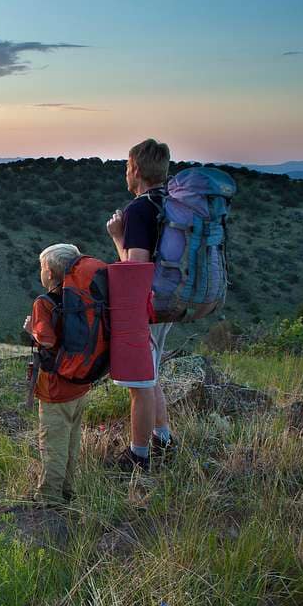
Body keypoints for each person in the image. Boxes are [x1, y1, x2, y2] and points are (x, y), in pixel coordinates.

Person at [105, 138, 177, 471]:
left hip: (146, 306)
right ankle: (163, 439)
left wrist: (119, 237)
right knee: (152, 374)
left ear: (135, 169)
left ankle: (139, 456)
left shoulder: (139, 209)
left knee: (139, 383)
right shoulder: (172, 204)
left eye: (125, 166)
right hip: (170, 300)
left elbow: (135, 271)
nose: (125, 172)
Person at [23, 243, 91, 508]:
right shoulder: (83, 298)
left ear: (49, 272)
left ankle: (49, 498)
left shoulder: (44, 303)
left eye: (42, 267)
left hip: (55, 388)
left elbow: (48, 342)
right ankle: (68, 490)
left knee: (53, 443)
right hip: (81, 383)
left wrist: (32, 332)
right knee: (72, 441)